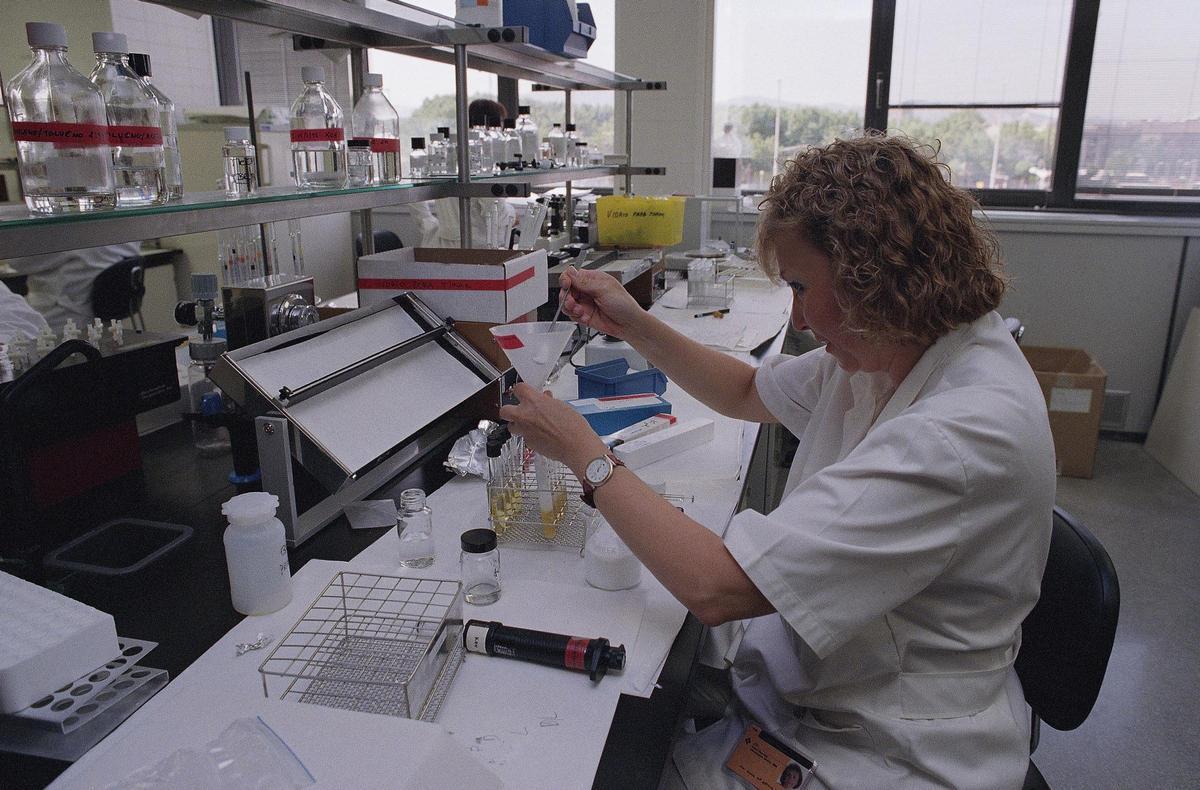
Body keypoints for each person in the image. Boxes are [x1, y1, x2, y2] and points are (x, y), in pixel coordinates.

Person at [499, 134, 1055, 789]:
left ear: (869, 274)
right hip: (829, 681)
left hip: (887, 746)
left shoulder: (961, 432)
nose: (798, 316)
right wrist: (636, 325)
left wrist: (584, 455)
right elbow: (743, 390)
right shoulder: (895, 349)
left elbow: (716, 587)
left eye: (800, 285)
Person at [2, 242, 141, 331]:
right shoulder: (121, 226)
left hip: (60, 317)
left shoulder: (66, 232)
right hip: (107, 321)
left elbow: (17, 262)